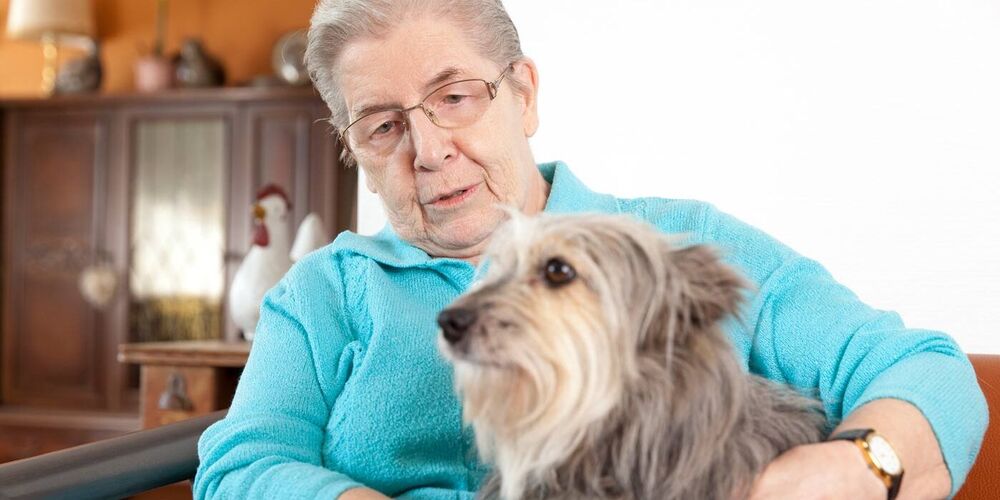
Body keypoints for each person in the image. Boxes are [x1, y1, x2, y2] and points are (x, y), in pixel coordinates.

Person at [194, 1, 987, 499]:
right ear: (353, 149)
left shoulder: (680, 244)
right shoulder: (323, 294)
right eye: (383, 126)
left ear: (525, 93)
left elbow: (928, 372)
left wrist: (848, 470)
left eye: (455, 97)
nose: (428, 150)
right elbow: (240, 467)